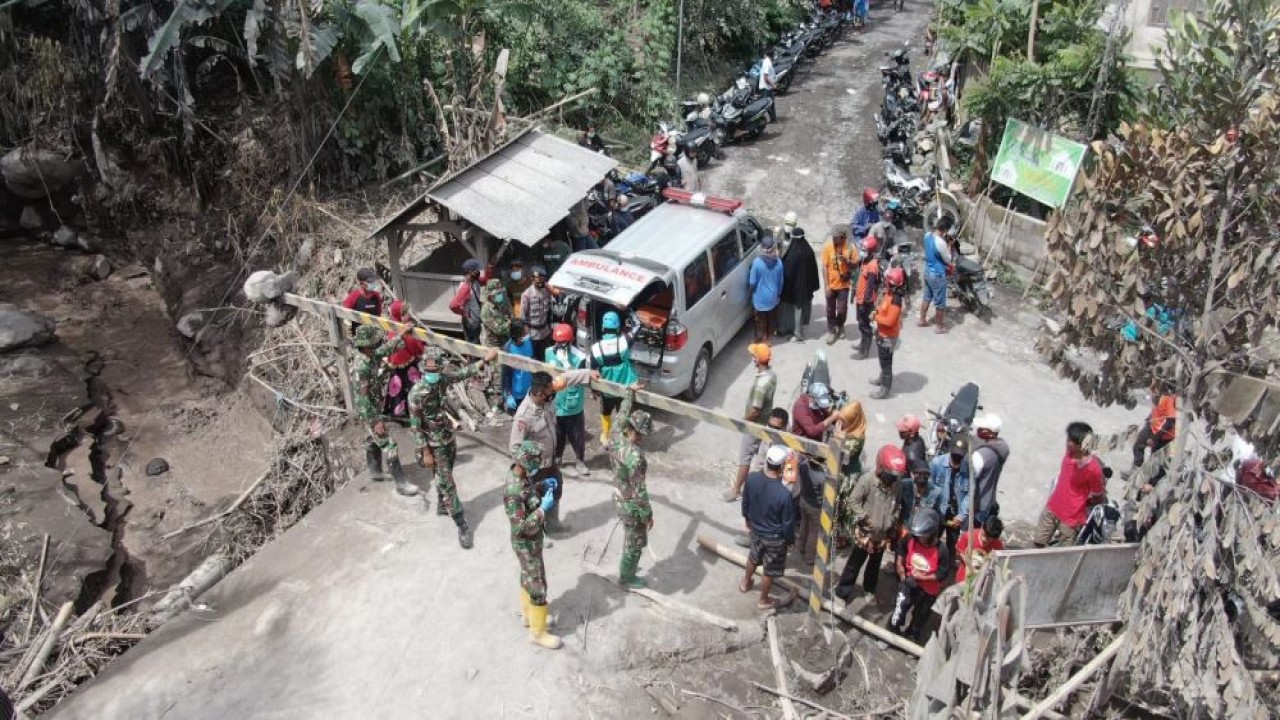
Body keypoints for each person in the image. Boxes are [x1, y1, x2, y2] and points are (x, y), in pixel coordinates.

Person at [407, 346, 499, 548]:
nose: (432, 374)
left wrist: (485, 359)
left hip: (447, 437)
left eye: (435, 371)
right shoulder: (416, 394)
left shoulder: (443, 380)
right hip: (433, 444)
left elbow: (463, 373)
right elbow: (415, 426)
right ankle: (462, 524)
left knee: (445, 473)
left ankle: (442, 504)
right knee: (447, 481)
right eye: (429, 371)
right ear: (423, 370)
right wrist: (425, 451)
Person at [510, 370, 597, 536]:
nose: (553, 395)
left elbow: (566, 378)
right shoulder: (523, 417)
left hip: (551, 461)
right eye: (550, 393)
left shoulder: (547, 391)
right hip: (535, 468)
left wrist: (587, 373)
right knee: (534, 501)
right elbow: (514, 448)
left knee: (556, 491)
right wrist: (531, 469)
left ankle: (553, 525)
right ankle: (538, 532)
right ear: (539, 393)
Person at [504, 440, 564, 649]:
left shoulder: (522, 475)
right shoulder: (513, 491)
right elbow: (520, 527)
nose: (536, 469)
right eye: (534, 464)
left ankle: (529, 616)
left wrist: (541, 485)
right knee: (538, 585)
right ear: (523, 463)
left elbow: (528, 490)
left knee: (527, 577)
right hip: (525, 543)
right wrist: (542, 510)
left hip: (532, 541)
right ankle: (538, 634)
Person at [351, 325, 418, 498]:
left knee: (372, 439)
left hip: (373, 406)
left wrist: (401, 334)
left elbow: (385, 349)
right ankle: (401, 484)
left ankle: (375, 472)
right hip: (368, 412)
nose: (376, 346)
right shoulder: (361, 368)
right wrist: (376, 421)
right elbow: (363, 399)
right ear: (366, 346)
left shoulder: (370, 355)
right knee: (389, 444)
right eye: (373, 343)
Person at [834, 445, 907, 603]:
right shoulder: (867, 480)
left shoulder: (897, 485)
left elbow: (897, 505)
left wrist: (893, 523)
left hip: (882, 535)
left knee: (874, 565)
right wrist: (865, 518)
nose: (893, 480)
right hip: (865, 533)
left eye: (896, 476)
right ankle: (842, 592)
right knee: (854, 564)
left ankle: (869, 589)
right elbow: (852, 502)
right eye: (891, 475)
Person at [740, 445, 798, 610]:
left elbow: (746, 501)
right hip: (775, 538)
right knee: (769, 570)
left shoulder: (751, 478)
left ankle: (745, 583)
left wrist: (747, 518)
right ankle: (763, 599)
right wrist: (790, 541)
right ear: (781, 467)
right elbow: (787, 523)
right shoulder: (783, 494)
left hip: (756, 530)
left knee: (753, 557)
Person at [609, 384, 655, 587]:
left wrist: (630, 392)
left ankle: (627, 569)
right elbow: (640, 492)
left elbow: (622, 412)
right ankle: (627, 577)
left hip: (618, 495)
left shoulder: (616, 434)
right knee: (635, 541)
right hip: (631, 505)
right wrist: (647, 516)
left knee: (630, 535)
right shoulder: (635, 458)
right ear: (641, 433)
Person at [1034, 422, 1107, 547]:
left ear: (1083, 444)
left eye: (1072, 441)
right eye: (1068, 439)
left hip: (1071, 519)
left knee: (1064, 553)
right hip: (1053, 507)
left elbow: (1098, 496)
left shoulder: (1094, 469)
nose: (1068, 443)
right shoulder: (1069, 455)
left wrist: (1083, 506)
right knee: (1038, 542)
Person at [724, 344, 777, 502]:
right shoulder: (772, 374)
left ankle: (736, 489)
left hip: (754, 425)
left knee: (745, 457)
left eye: (753, 355)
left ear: (757, 359)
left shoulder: (761, 385)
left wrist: (743, 422)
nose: (751, 357)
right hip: (763, 422)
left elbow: (755, 410)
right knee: (754, 456)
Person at [890, 507, 952, 641]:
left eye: (923, 535)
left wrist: (923, 577)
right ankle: (891, 633)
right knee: (899, 608)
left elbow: (942, 574)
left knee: (920, 616)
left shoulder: (942, 551)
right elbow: (901, 551)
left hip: (928, 590)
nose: (920, 538)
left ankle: (912, 635)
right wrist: (900, 568)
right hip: (909, 581)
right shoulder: (911, 538)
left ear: (932, 533)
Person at [546, 323, 590, 477]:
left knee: (577, 435)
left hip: (573, 403)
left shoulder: (580, 357)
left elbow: (582, 378)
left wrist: (567, 365)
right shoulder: (548, 353)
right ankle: (557, 458)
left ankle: (580, 460)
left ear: (570, 341)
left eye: (562, 343)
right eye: (557, 342)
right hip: (556, 402)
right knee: (557, 434)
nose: (559, 346)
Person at [589, 310, 638, 448]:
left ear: (603, 328)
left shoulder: (596, 348)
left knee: (606, 412)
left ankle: (605, 437)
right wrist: (629, 310)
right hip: (625, 388)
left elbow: (593, 372)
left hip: (607, 390)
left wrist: (594, 391)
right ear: (618, 327)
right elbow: (638, 325)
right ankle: (624, 438)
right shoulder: (624, 341)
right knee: (623, 413)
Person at [778, 216, 820, 342]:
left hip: (793, 288)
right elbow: (813, 270)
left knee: (790, 309)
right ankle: (797, 331)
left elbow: (787, 271)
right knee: (800, 309)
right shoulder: (808, 250)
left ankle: (794, 333)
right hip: (804, 287)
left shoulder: (793, 253)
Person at [382, 300, 425, 419]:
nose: (408, 316)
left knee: (397, 389)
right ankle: (413, 413)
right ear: (398, 315)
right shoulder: (405, 331)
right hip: (409, 366)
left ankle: (399, 412)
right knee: (413, 389)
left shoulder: (392, 328)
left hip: (396, 368)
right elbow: (417, 348)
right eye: (404, 314)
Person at [930, 436, 972, 557]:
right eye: (954, 456)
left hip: (955, 514)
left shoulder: (969, 470)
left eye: (960, 457)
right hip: (938, 511)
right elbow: (929, 488)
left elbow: (970, 494)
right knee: (931, 540)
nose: (956, 460)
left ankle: (947, 565)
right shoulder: (937, 464)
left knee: (951, 545)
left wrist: (961, 516)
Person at [869, 267, 906, 399]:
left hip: (888, 338)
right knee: (883, 361)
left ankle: (884, 390)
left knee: (886, 364)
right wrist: (877, 312)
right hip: (882, 334)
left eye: (887, 280)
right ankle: (881, 379)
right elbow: (883, 308)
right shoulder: (889, 294)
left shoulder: (896, 300)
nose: (885, 281)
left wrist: (875, 318)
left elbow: (890, 321)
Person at [820, 224, 857, 345]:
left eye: (836, 238)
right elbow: (824, 267)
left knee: (842, 310)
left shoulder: (850, 248)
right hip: (831, 285)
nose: (833, 239)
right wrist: (827, 286)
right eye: (833, 237)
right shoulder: (828, 248)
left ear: (843, 237)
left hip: (844, 285)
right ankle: (832, 330)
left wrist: (847, 261)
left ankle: (840, 325)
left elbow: (856, 265)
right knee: (830, 310)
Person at [969, 414, 1009, 526]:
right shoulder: (1003, 447)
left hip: (977, 505)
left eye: (983, 429)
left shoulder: (980, 455)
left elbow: (969, 481)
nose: (979, 430)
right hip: (989, 500)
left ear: (990, 433)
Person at [481, 278, 513, 414]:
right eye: (497, 293)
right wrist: (510, 323)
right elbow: (499, 329)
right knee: (497, 376)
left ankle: (508, 397)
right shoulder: (486, 311)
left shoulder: (503, 302)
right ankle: (498, 404)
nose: (500, 295)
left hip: (506, 342)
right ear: (490, 295)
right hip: (494, 346)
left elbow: (510, 314)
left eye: (501, 292)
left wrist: (509, 321)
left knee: (509, 371)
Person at [919, 215, 954, 334]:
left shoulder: (927, 235)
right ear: (945, 230)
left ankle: (922, 320)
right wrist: (949, 245)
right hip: (938, 275)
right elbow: (948, 260)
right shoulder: (941, 243)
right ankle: (939, 327)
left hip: (928, 271)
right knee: (940, 302)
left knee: (927, 297)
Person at [748, 235, 785, 342]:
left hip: (760, 297)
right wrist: (778, 294)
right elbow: (781, 281)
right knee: (771, 316)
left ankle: (763, 337)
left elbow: (752, 282)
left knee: (762, 318)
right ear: (773, 248)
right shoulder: (778, 262)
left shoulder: (757, 263)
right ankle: (769, 337)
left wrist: (751, 290)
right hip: (773, 296)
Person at [1133, 384, 1176, 472]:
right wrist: (1149, 418)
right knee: (1138, 446)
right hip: (1151, 427)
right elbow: (1156, 408)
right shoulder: (1157, 389)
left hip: (1164, 435)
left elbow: (1170, 421)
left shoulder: (1170, 398)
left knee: (1156, 461)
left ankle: (1152, 482)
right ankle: (1137, 470)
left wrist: (1155, 438)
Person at [793, 450, 824, 568]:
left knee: (804, 526)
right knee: (814, 532)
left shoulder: (804, 465)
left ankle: (800, 546)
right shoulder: (822, 477)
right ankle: (809, 557)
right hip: (816, 507)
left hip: (804, 500)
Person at [854, 234, 882, 360]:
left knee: (865, 325)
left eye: (864, 250)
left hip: (866, 301)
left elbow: (870, 286)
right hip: (860, 299)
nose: (862, 252)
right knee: (861, 323)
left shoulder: (872, 265)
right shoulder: (865, 261)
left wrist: (865, 302)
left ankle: (864, 351)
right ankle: (862, 344)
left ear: (871, 251)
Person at [954, 516, 1005, 583]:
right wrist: (969, 562)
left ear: (995, 538)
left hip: (984, 581)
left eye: (989, 538)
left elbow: (999, 562)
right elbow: (958, 553)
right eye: (984, 535)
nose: (985, 539)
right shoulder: (968, 536)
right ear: (982, 527)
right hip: (964, 578)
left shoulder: (997, 545)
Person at [520, 265, 554, 359]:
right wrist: (525, 334)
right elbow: (522, 316)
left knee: (545, 356)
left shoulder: (546, 291)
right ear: (532, 278)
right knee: (533, 357)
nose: (540, 281)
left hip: (545, 332)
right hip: (532, 333)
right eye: (538, 278)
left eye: (542, 278)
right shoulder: (526, 295)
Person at [502, 320, 535, 414]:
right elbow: (505, 376)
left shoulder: (530, 343)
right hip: (516, 393)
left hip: (529, 389)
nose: (528, 335)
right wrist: (508, 395)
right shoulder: (508, 349)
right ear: (517, 335)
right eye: (525, 333)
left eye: (528, 332)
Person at [450, 259, 485, 344]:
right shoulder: (465, 287)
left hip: (475, 321)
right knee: (473, 346)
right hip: (471, 323)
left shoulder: (474, 282)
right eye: (477, 270)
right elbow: (453, 306)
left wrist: (490, 267)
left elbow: (484, 281)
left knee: (476, 343)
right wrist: (465, 315)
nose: (478, 272)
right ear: (470, 272)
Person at [899, 458, 942, 527]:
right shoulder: (903, 486)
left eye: (925, 474)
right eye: (918, 473)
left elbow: (936, 515)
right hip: (904, 528)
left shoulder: (936, 492)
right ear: (911, 474)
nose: (922, 476)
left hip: (923, 531)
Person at [342, 267, 383, 332]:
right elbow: (344, 312)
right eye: (370, 281)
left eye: (373, 281)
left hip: (375, 333)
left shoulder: (376, 296)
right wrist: (348, 324)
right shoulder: (354, 296)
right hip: (359, 336)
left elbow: (379, 314)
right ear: (361, 283)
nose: (372, 283)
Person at [757, 47, 778, 122]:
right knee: (768, 104)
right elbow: (766, 77)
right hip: (766, 87)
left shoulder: (767, 62)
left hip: (767, 87)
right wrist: (773, 85)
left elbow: (766, 77)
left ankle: (773, 119)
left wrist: (772, 85)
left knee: (770, 103)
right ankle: (772, 119)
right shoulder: (767, 63)